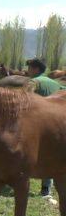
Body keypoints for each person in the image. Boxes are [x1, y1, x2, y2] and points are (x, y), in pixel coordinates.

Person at [26, 58, 66, 196]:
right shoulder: (55, 83)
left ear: (36, 69)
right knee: (52, 155)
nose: (28, 70)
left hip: (38, 124)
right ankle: (46, 189)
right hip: (58, 125)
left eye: (30, 67)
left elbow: (25, 99)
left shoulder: (34, 82)